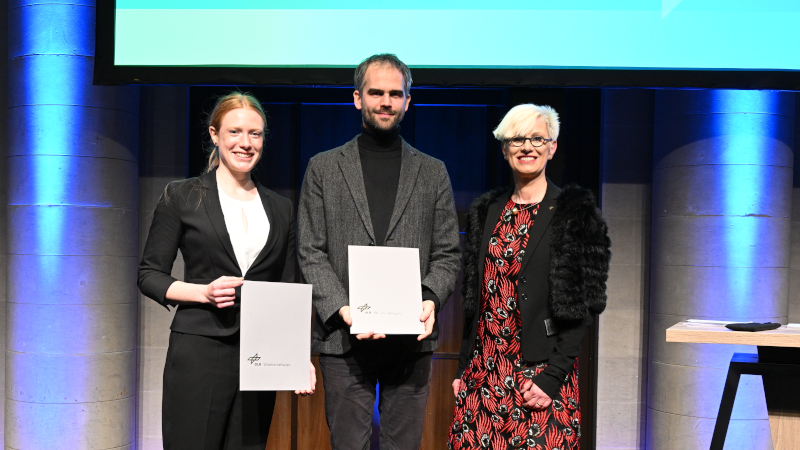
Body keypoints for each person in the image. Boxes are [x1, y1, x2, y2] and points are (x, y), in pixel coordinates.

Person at [297, 54, 461, 450]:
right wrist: (344, 309)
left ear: (408, 100)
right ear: (358, 98)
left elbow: (448, 253)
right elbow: (309, 250)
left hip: (410, 343)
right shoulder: (323, 168)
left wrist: (429, 298)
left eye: (394, 93)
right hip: (343, 340)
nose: (385, 101)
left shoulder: (433, 171)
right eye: (376, 93)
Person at [138, 92, 315, 450]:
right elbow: (149, 274)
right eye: (235, 132)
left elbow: (286, 289)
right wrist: (201, 292)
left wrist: (298, 356)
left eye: (256, 134)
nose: (245, 143)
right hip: (200, 350)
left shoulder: (281, 208)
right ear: (215, 134)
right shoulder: (182, 196)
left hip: (260, 357)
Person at [449, 104, 610, 450]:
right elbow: (475, 299)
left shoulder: (575, 212)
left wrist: (552, 378)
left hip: (538, 379)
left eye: (538, 138)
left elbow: (582, 309)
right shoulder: (486, 211)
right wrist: (463, 369)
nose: (527, 147)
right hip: (483, 375)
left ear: (552, 147)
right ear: (505, 148)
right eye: (517, 139)